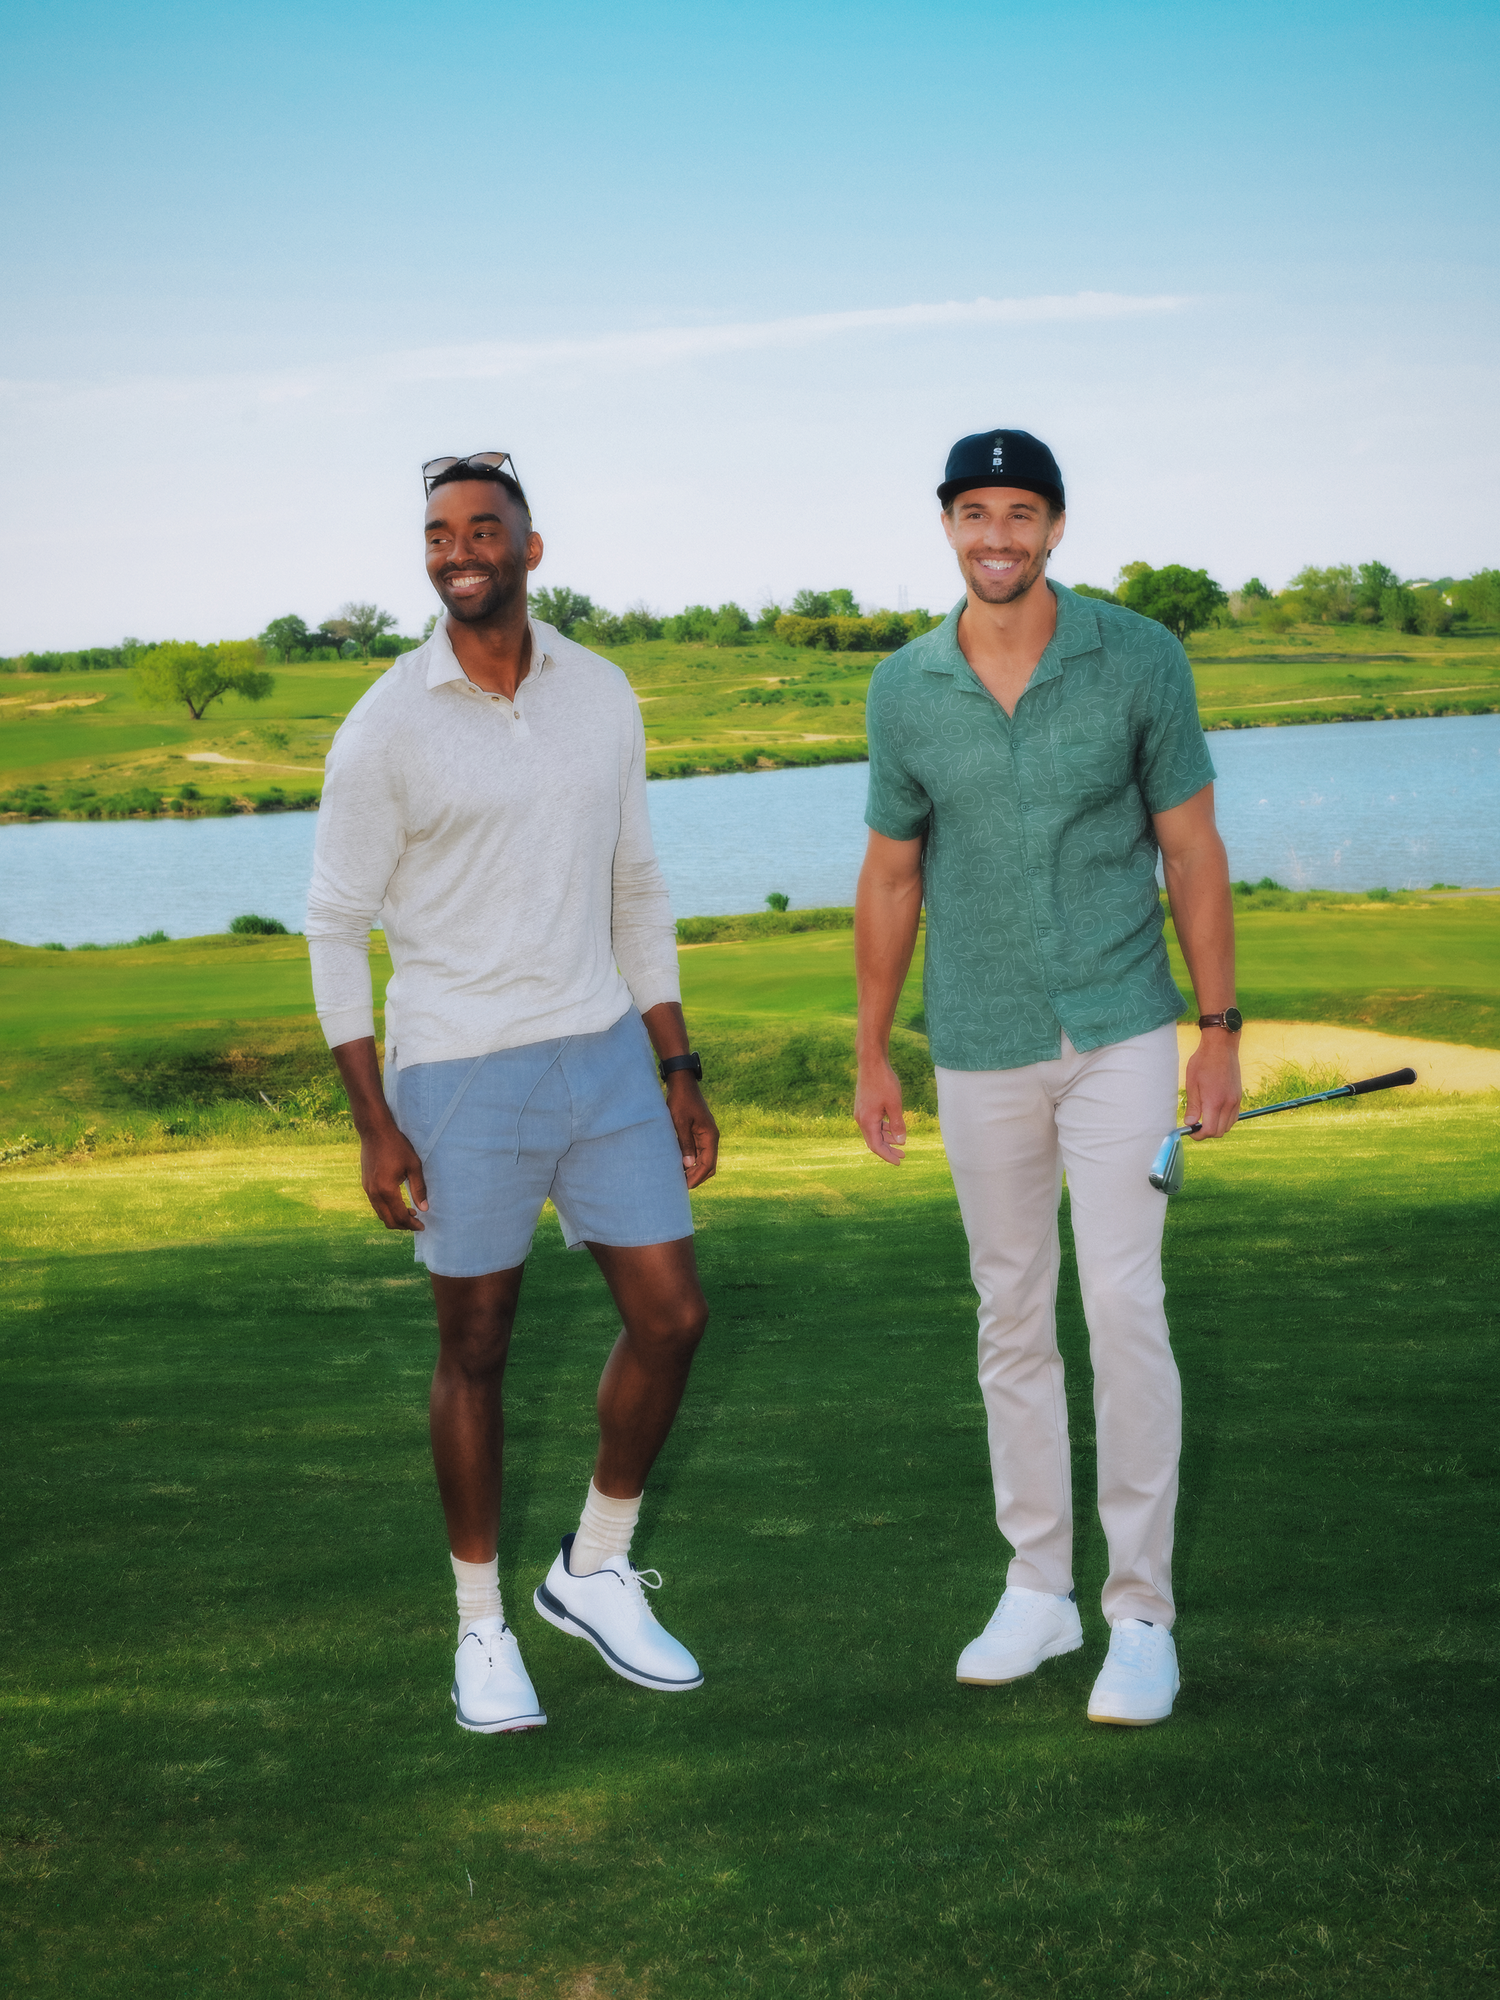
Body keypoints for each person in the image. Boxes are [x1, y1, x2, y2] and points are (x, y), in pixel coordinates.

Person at [306, 451, 719, 1734]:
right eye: (438, 533)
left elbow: (636, 886)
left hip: (601, 1049)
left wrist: (677, 1063)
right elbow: (334, 923)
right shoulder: (385, 724)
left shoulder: (602, 691)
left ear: (530, 549)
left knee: (674, 1317)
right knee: (475, 1348)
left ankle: (592, 1567)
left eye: (482, 528)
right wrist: (374, 1122)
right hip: (457, 1067)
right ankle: (480, 1624)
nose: (458, 550)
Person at [853, 429, 1240, 1726]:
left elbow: (1192, 849)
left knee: (1123, 1307)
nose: (998, 535)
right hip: (978, 1043)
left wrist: (1219, 1030)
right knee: (1010, 1314)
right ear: (948, 527)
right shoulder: (904, 687)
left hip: (1122, 1026)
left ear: (1056, 526)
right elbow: (891, 876)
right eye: (976, 512)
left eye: (1021, 511)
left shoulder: (1139, 656)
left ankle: (1140, 1611)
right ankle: (1039, 1589)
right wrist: (872, 1050)